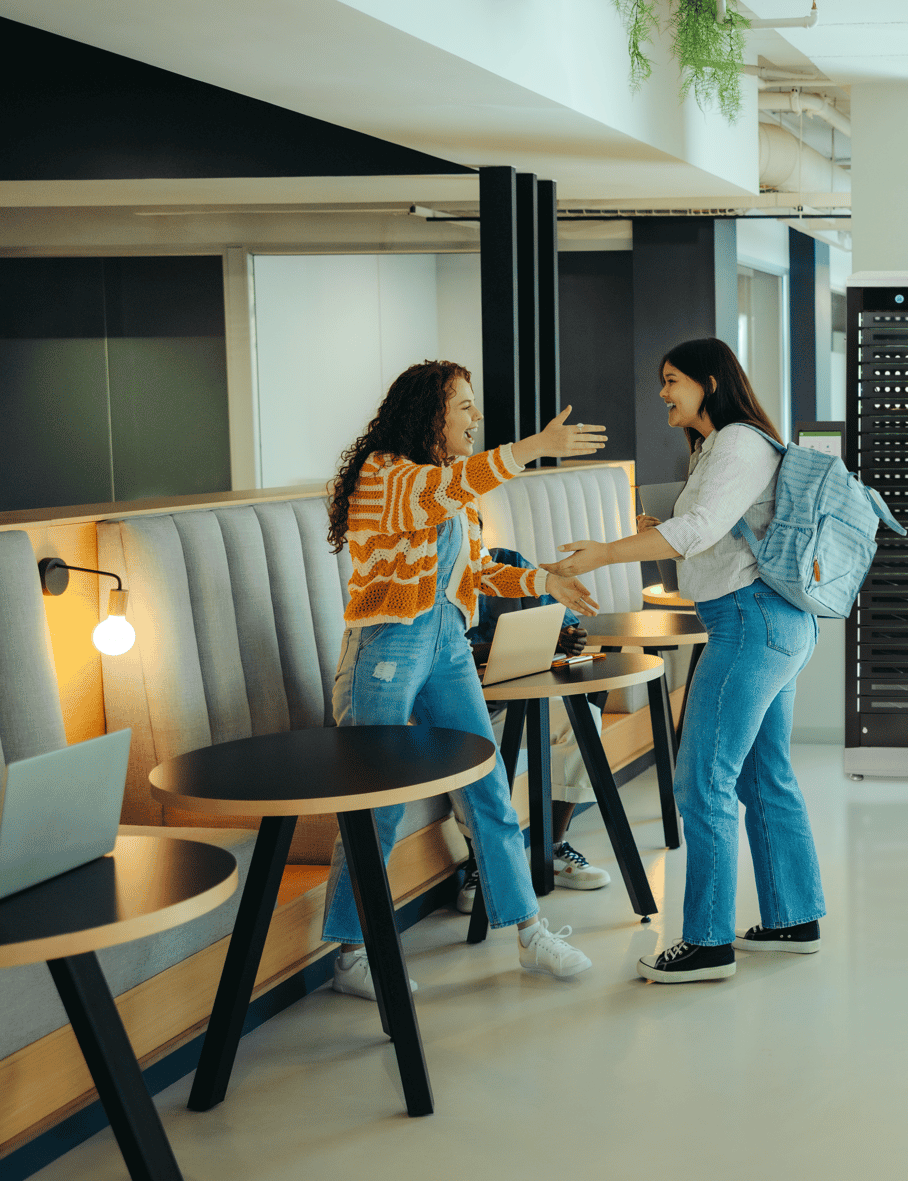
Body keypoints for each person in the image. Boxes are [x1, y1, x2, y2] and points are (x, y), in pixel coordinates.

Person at [540, 338, 825, 985]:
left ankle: (706, 941)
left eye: (672, 380)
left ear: (709, 382)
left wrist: (604, 553)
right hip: (772, 622)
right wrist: (651, 528)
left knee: (702, 782)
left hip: (750, 624)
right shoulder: (727, 446)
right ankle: (793, 918)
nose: (663, 392)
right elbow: (709, 533)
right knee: (762, 775)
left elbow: (695, 531)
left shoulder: (735, 443)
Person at [322, 359, 606, 997]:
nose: (475, 418)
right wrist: (532, 449)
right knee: (379, 800)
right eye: (465, 407)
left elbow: (475, 571)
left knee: (487, 787)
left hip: (446, 641)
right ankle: (349, 954)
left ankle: (530, 932)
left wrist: (543, 582)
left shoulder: (451, 488)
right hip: (388, 644)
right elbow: (435, 493)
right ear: (431, 414)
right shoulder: (386, 477)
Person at [456, 544, 612, 913]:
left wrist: (568, 637)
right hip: (466, 709)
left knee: (583, 719)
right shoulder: (426, 577)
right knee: (462, 743)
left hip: (520, 700)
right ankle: (480, 863)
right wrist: (495, 649)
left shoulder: (507, 564)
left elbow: (559, 623)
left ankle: (553, 849)